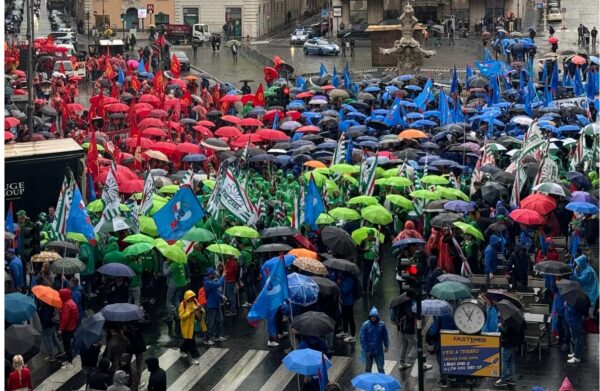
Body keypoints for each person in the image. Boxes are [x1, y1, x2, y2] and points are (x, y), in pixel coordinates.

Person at [495, 316, 525, 387]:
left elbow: (506, 332)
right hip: (513, 343)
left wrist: (500, 326)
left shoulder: (509, 320)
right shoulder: (517, 319)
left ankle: (503, 379)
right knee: (511, 361)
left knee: (504, 361)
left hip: (508, 344)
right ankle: (512, 379)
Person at [359, 307, 390, 373]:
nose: (373, 318)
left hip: (378, 350)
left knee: (380, 368)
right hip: (369, 351)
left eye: (374, 316)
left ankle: (382, 381)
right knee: (368, 368)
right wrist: (366, 349)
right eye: (372, 316)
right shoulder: (365, 325)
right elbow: (362, 338)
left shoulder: (382, 325)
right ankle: (368, 382)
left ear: (377, 317)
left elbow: (385, 336)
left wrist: (386, 345)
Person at [204, 267, 227, 344]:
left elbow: (216, 290)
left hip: (217, 304)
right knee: (210, 323)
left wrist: (221, 296)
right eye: (214, 273)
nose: (215, 274)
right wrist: (223, 276)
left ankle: (216, 336)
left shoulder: (212, 281)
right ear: (210, 274)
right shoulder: (207, 282)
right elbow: (218, 284)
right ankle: (207, 339)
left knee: (220, 321)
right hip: (211, 306)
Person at [178, 290, 202, 365]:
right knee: (191, 342)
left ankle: (182, 349)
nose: (192, 298)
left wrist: (200, 309)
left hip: (194, 326)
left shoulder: (194, 301)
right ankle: (195, 357)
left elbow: (200, 309)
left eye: (192, 297)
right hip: (187, 327)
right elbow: (182, 316)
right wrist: (191, 312)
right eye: (190, 297)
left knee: (188, 340)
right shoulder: (183, 304)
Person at [58, 288, 79, 370]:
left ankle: (69, 361)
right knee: (68, 344)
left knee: (67, 345)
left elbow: (65, 318)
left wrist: (60, 328)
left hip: (67, 329)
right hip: (71, 327)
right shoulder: (70, 302)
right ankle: (69, 359)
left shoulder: (66, 304)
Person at [336, 271, 357, 343]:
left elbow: (344, 290)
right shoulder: (345, 279)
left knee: (350, 319)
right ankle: (345, 331)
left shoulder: (350, 280)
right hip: (344, 301)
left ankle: (353, 335)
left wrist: (340, 283)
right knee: (344, 317)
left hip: (349, 302)